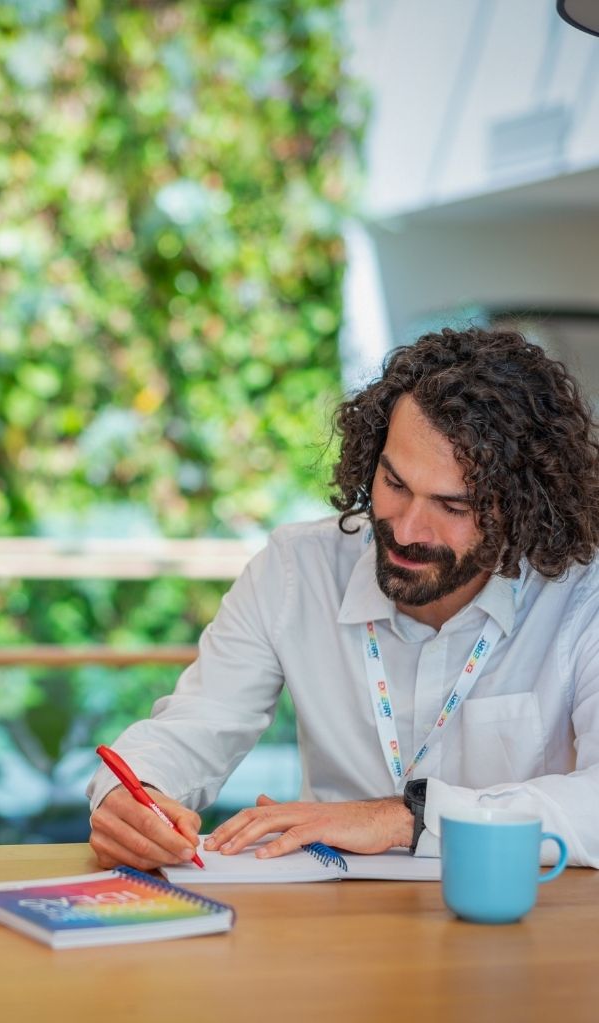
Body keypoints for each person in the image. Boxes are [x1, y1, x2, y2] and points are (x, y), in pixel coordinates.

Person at [87, 327, 599, 871]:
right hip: (331, 928)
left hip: (517, 931)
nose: (405, 530)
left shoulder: (582, 596)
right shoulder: (294, 571)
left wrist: (405, 818)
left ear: (525, 507)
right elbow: (195, 725)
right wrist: (132, 792)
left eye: (453, 507)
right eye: (394, 483)